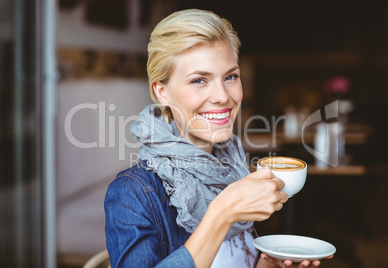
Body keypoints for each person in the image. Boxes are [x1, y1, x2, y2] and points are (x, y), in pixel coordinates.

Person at [105, 9, 327, 268]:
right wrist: (221, 213)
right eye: (200, 80)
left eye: (231, 77)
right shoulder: (131, 194)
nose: (222, 96)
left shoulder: (233, 168)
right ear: (162, 92)